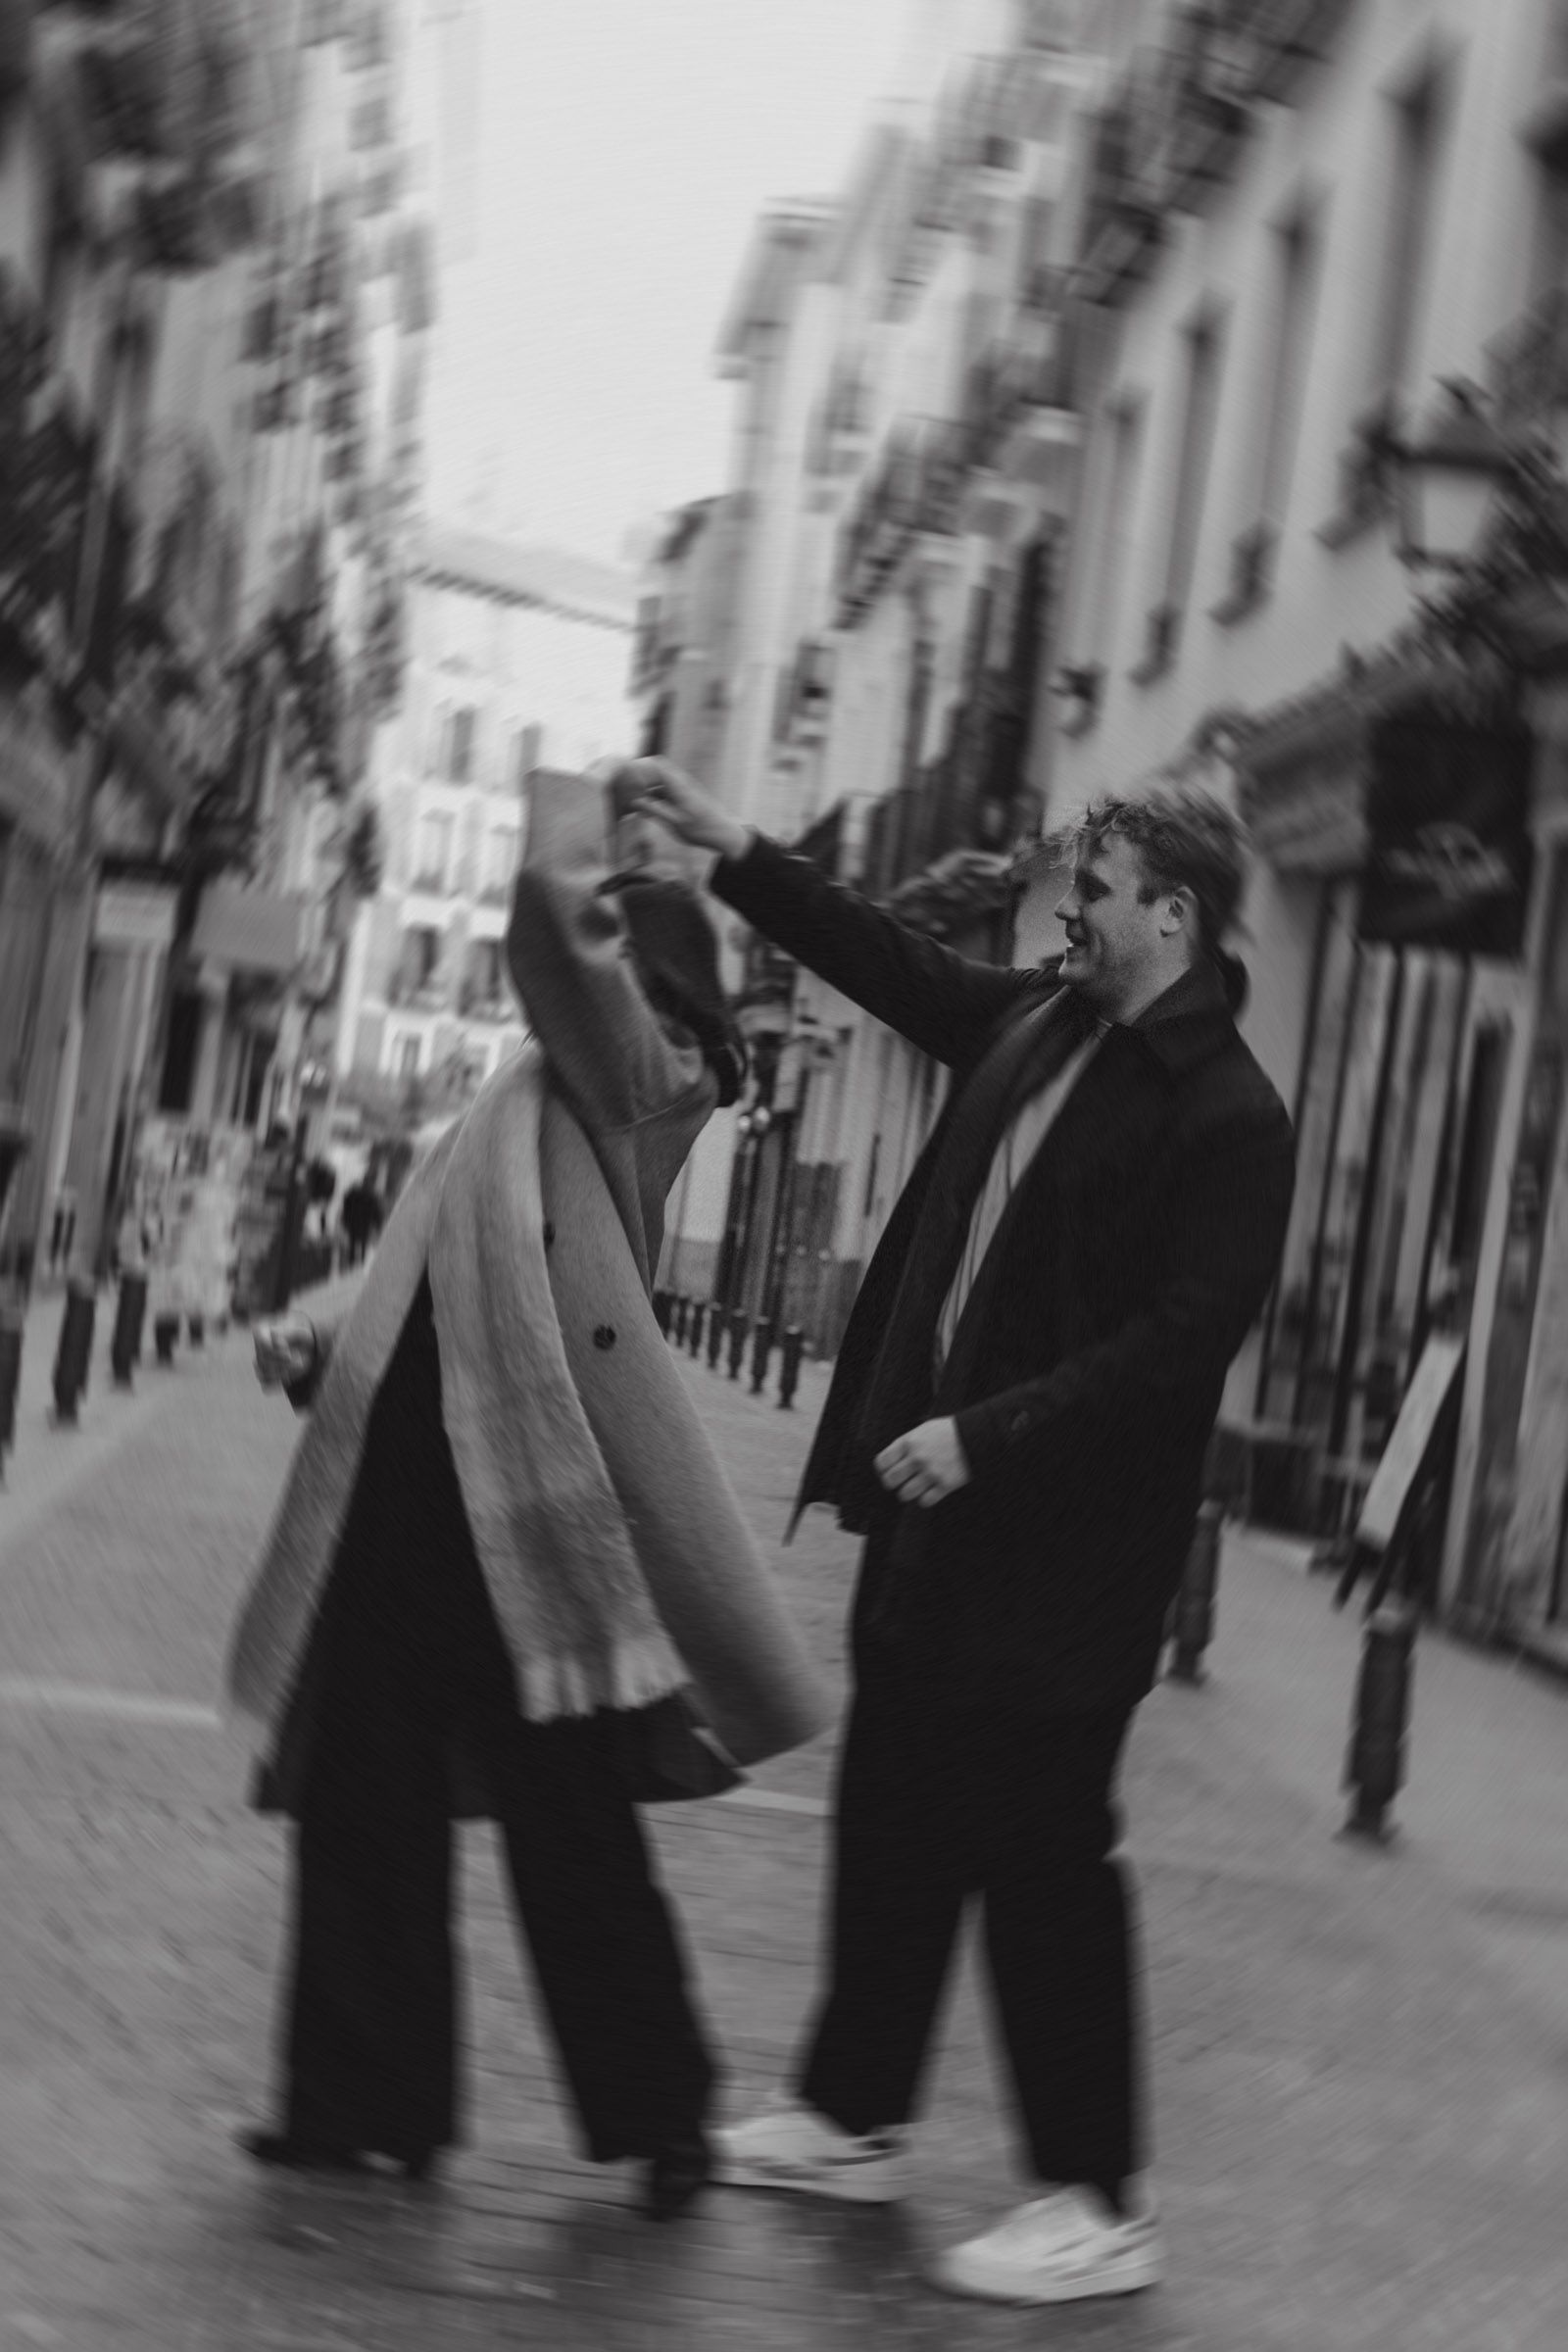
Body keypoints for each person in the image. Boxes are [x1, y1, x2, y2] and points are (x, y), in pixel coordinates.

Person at [633, 759, 1296, 2304]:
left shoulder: (1229, 1116)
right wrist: (732, 849)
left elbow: (1178, 1346)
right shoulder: (1041, 1025)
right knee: (895, 1812)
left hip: (1068, 1561)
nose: (1069, 911)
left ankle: (1100, 2200)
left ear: (1175, 917)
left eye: (1096, 892)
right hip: (938, 1524)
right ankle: (852, 2113)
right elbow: (887, 959)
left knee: (1046, 1855)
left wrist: (985, 1435)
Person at [227, 765, 827, 2221]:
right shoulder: (532, 1090)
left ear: (647, 987)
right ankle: (358, 2104)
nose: (582, 963)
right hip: (416, 1476)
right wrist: (325, 1333)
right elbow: (440, 1249)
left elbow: (555, 932)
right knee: (364, 1784)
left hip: (532, 1499)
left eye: (614, 944)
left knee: (572, 1823)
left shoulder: (643, 1084)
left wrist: (593, 805)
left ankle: (664, 2112)